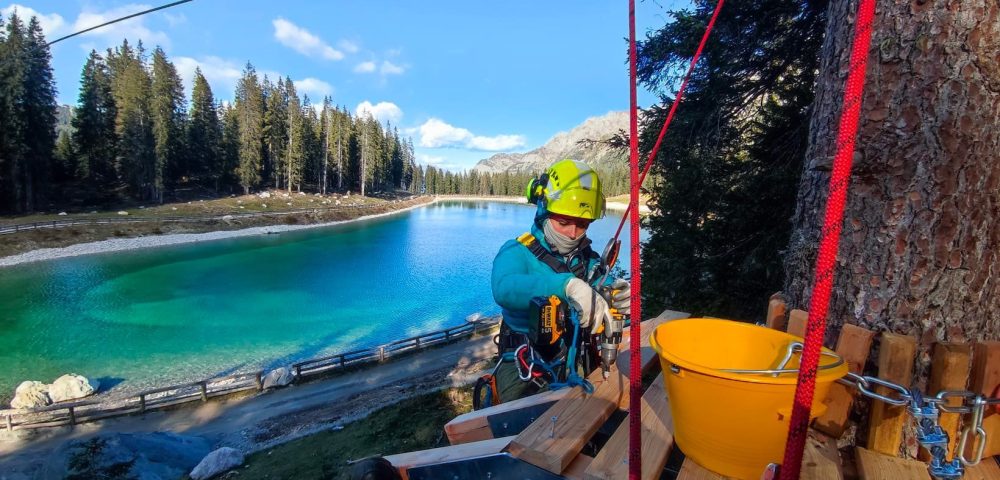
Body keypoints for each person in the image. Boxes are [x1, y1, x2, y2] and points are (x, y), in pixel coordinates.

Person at [488, 159, 630, 403]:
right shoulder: (516, 251)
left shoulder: (585, 259)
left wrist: (617, 297)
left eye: (583, 224)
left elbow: (598, 285)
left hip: (576, 359)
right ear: (544, 210)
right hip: (526, 366)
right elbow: (504, 288)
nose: (573, 233)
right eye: (563, 222)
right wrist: (566, 286)